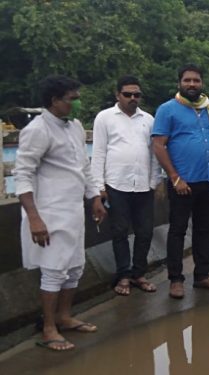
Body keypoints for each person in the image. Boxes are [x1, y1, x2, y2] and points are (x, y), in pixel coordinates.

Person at [14, 75, 107, 351]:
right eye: (72, 98)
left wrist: (95, 197)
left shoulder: (75, 126)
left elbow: (84, 167)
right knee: (54, 270)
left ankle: (64, 317)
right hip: (50, 212)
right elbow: (23, 174)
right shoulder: (38, 129)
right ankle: (48, 328)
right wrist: (33, 217)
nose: (77, 102)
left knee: (75, 267)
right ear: (55, 101)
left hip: (74, 210)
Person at [152, 64, 209, 299]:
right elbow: (158, 145)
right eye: (187, 80)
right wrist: (175, 178)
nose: (192, 85)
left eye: (196, 80)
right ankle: (176, 279)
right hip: (183, 182)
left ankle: (203, 275)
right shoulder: (167, 110)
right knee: (177, 230)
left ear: (202, 83)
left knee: (206, 230)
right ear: (180, 83)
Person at [91, 75, 160, 296]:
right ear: (117, 94)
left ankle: (139, 273)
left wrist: (154, 182)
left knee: (145, 232)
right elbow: (99, 153)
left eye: (136, 95)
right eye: (127, 94)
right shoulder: (105, 118)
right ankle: (123, 275)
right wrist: (99, 187)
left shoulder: (148, 119)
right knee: (119, 231)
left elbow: (154, 153)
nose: (132, 98)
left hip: (143, 186)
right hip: (116, 185)